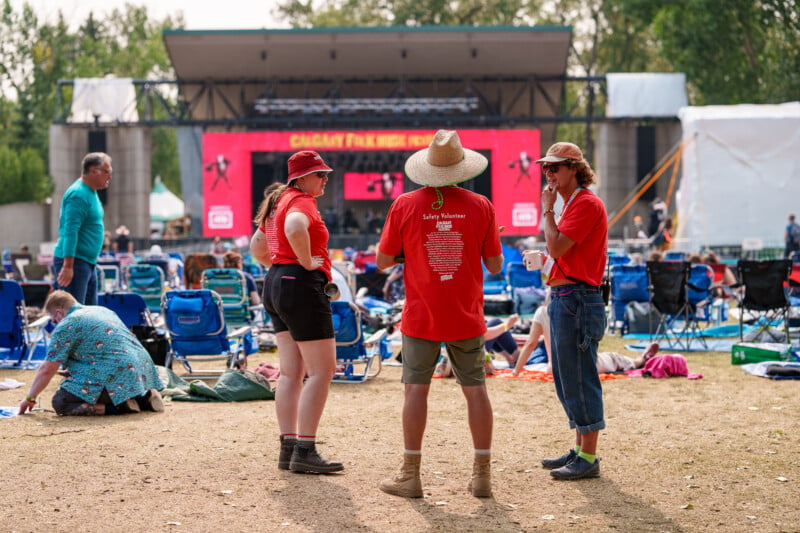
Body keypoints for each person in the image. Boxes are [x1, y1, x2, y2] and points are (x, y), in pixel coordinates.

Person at [376, 129, 503, 499]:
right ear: (462, 167)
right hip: (465, 314)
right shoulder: (481, 205)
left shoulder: (404, 204)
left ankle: (410, 474)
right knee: (476, 391)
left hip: (421, 315)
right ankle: (482, 476)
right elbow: (494, 265)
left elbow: (383, 261)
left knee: (415, 391)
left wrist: (410, 251)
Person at [249, 150, 343, 474]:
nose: (325, 179)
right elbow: (294, 227)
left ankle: (289, 447)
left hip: (275, 282)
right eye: (320, 174)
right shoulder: (301, 202)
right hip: (300, 283)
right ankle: (305, 449)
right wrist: (303, 262)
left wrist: (279, 265)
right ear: (301, 178)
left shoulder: (277, 201)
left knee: (291, 373)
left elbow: (256, 247)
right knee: (322, 371)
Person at [533, 141, 608, 480]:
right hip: (569, 295)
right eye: (546, 167)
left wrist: (547, 210)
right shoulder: (575, 203)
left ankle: (588, 456)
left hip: (577, 297)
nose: (548, 173)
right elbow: (563, 252)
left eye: (555, 167)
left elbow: (557, 246)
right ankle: (580, 448)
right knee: (567, 378)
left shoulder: (585, 204)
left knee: (578, 377)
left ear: (574, 169)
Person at [17, 290, 164, 416]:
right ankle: (143, 398)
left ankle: (117, 407)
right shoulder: (103, 310)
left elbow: (47, 369)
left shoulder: (67, 324)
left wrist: (30, 397)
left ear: (58, 312)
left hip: (115, 375)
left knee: (61, 401)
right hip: (142, 374)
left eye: (54, 321)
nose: (55, 324)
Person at [52, 152, 112, 305]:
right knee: (74, 316)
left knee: (89, 316)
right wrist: (67, 266)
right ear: (93, 171)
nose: (110, 176)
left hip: (86, 262)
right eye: (107, 171)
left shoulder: (91, 192)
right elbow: (70, 231)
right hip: (75, 263)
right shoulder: (78, 194)